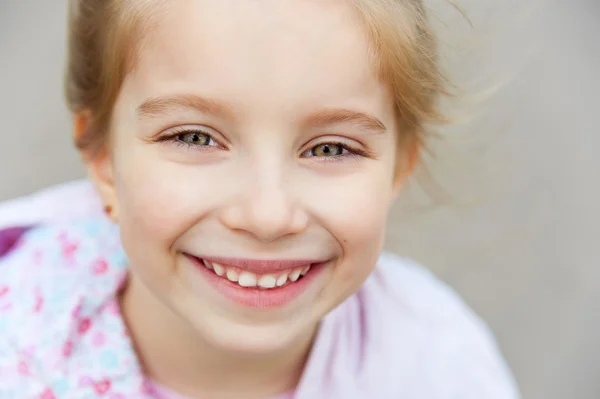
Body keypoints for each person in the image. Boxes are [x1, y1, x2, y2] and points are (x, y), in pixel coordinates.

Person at [0, 0, 520, 398]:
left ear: (397, 169)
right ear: (103, 159)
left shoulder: (435, 366)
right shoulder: (17, 345)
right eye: (195, 137)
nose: (267, 216)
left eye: (331, 147)